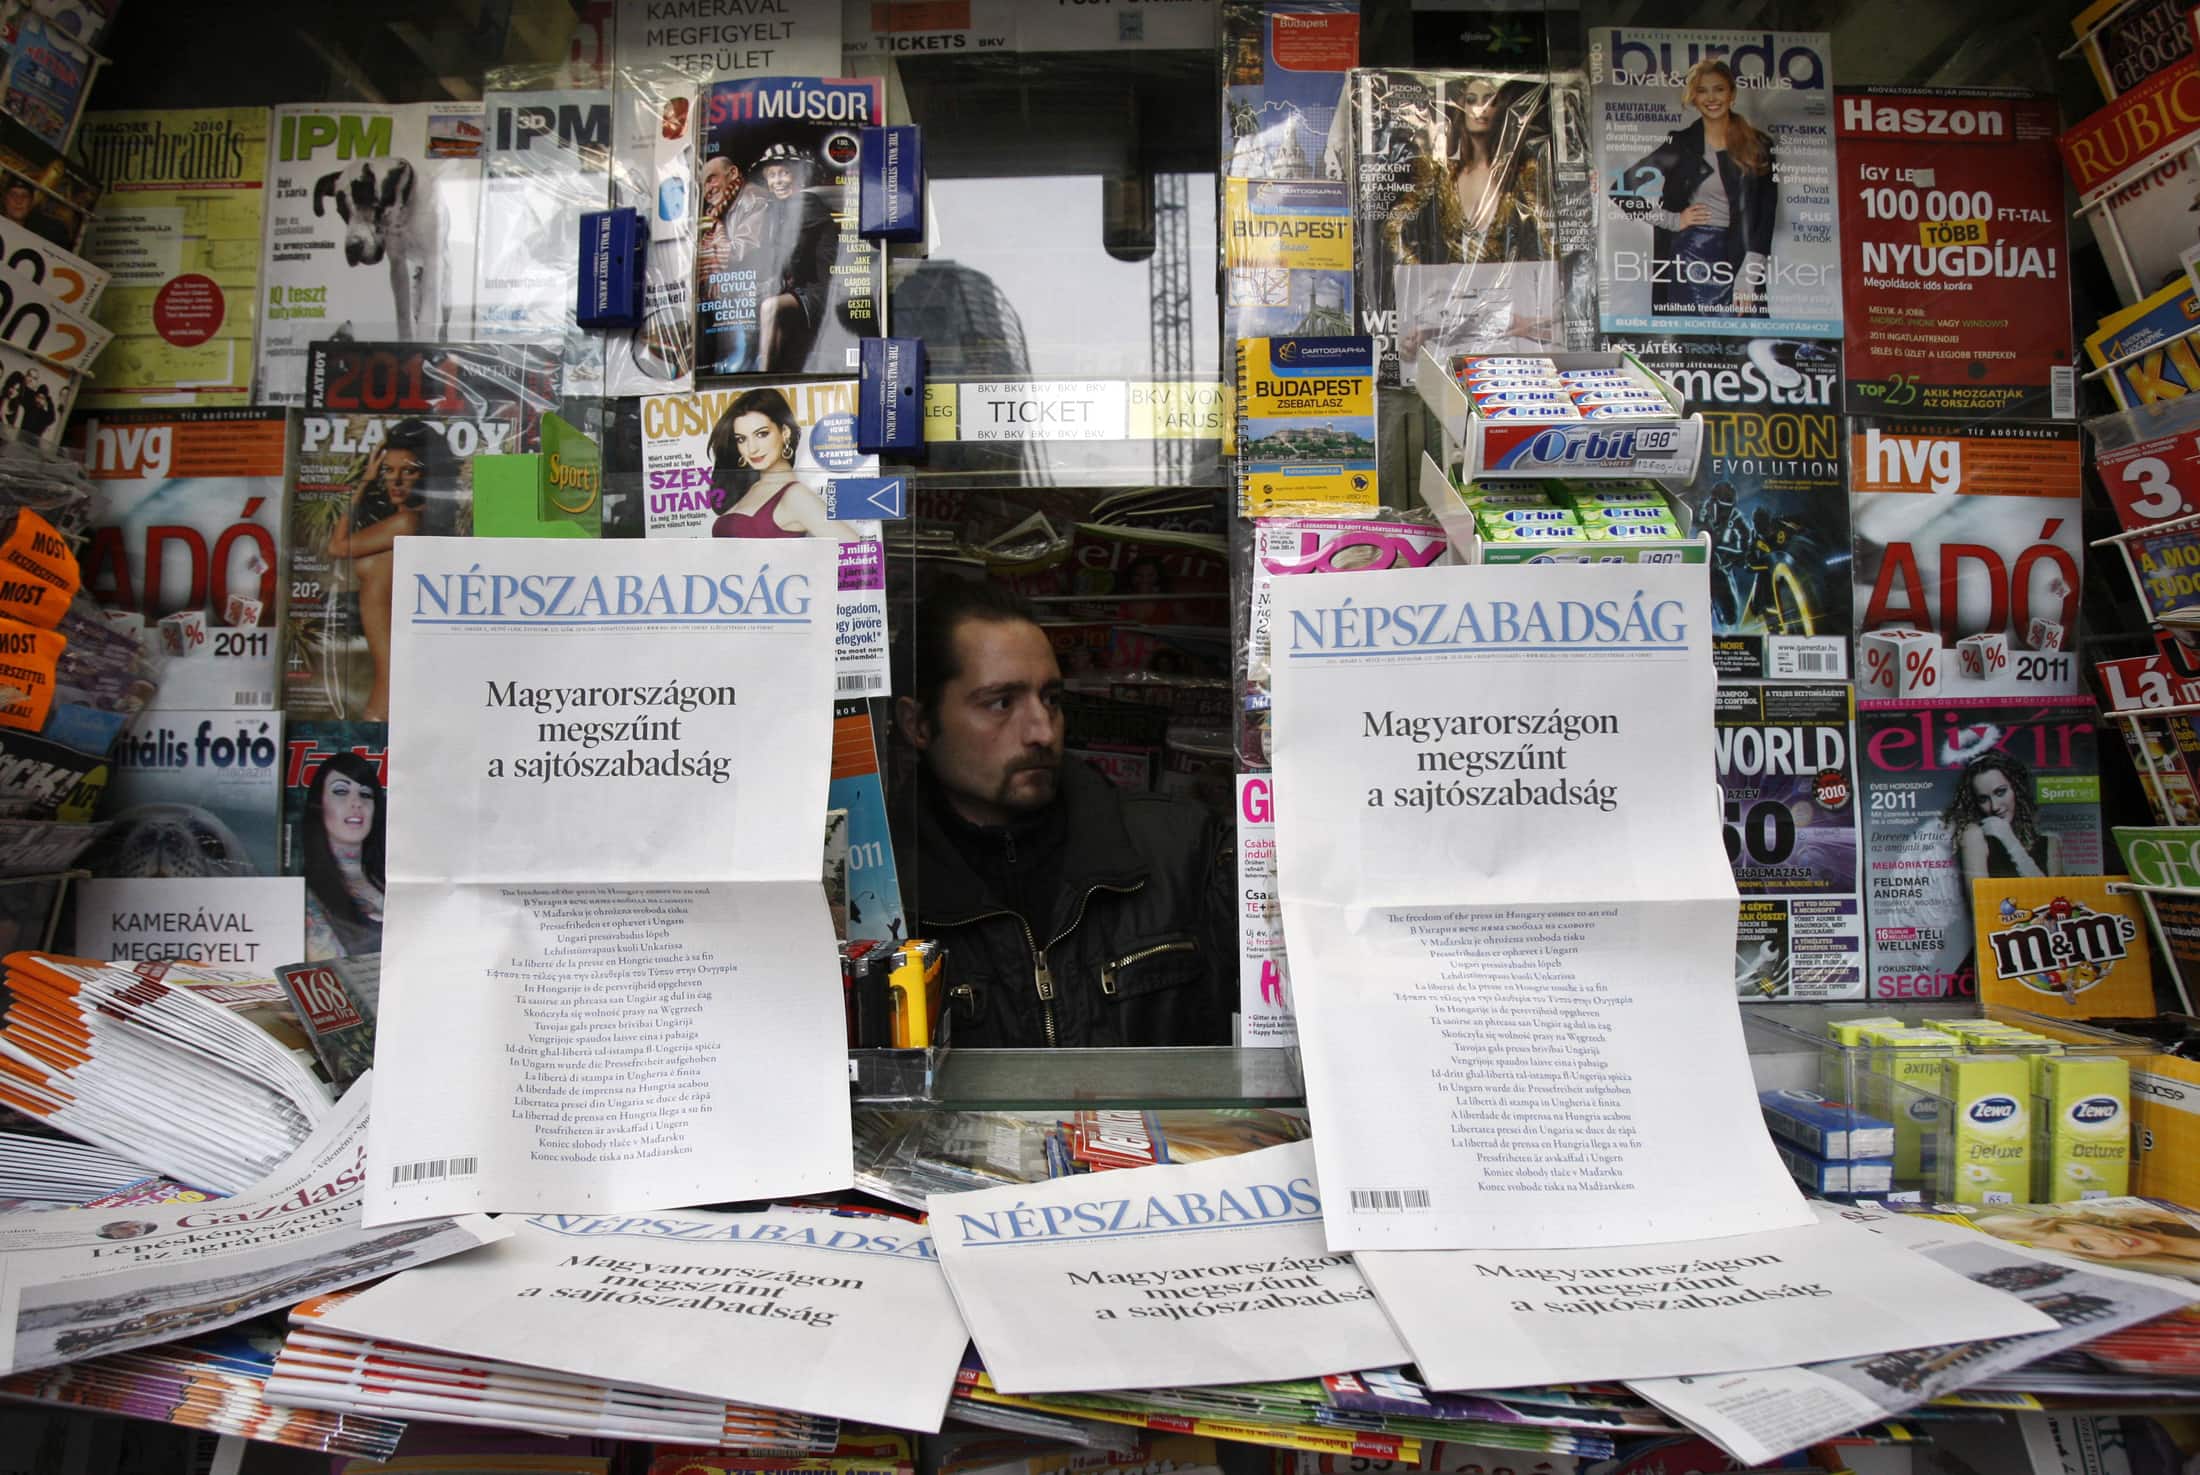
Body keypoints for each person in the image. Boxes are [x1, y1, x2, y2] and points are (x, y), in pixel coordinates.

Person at [889, 578, 1234, 1048]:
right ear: (919, 725)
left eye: (1050, 699)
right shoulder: (885, 896)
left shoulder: (1181, 848)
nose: (1041, 732)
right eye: (1000, 703)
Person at [1624, 57, 1776, 319]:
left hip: (1739, 257)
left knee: (1742, 345)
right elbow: (1622, 189)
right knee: (1689, 345)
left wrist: (1751, 272)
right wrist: (1672, 220)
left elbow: (1766, 212)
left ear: (1732, 94)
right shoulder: (1679, 143)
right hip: (1689, 256)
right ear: (1693, 97)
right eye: (1702, 90)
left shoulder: (1759, 144)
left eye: (1719, 89)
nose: (1711, 98)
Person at [324, 420, 440, 721]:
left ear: (426, 475)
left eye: (409, 470)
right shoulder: (404, 525)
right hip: (391, 686)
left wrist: (364, 480)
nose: (396, 481)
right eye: (388, 470)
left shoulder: (406, 525)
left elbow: (337, 547)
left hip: (390, 692)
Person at [705, 387, 860, 541]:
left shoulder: (796, 496)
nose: (752, 448)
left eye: (762, 434)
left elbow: (853, 548)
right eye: (741, 439)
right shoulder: (749, 488)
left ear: (785, 432)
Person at [747, 141, 837, 372]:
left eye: (784, 173)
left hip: (820, 289)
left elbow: (790, 257)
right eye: (772, 175)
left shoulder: (806, 204)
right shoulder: (779, 210)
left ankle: (762, 377)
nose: (777, 181)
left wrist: (770, 284)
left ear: (796, 175)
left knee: (769, 306)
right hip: (798, 289)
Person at [300, 750, 386, 961]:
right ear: (319, 805)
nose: (357, 803)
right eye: (340, 791)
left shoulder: (395, 877)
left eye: (365, 794)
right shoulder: (306, 896)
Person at [1949, 750, 2059, 887]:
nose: (1994, 806)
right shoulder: (1974, 836)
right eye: (1983, 799)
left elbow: (2056, 901)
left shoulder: (2050, 843)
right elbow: (1981, 905)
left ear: (2017, 789)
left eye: (2000, 792)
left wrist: (2009, 840)